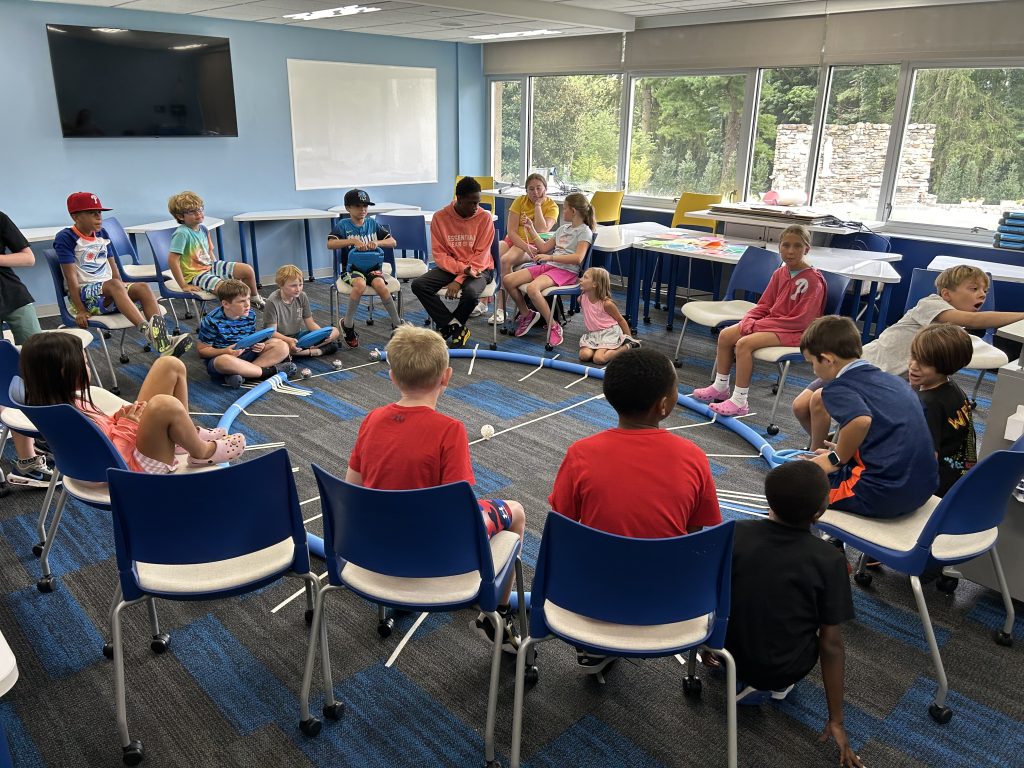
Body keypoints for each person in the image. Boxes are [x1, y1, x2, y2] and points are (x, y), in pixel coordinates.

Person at [346, 325, 526, 650]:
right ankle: (496, 613)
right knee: (516, 512)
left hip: (378, 546)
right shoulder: (450, 431)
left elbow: (352, 490)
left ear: (392, 376)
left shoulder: (370, 419)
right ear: (447, 376)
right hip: (435, 553)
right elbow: (460, 511)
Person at [549, 347, 721, 672]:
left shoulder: (580, 454)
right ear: (665, 406)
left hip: (587, 595)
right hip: (670, 600)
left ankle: (594, 644)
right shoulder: (693, 457)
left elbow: (562, 528)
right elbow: (693, 535)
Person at [794, 264, 1024, 449]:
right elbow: (974, 322)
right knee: (800, 406)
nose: (982, 294)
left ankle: (819, 453)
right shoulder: (931, 304)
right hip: (863, 362)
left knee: (819, 403)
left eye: (984, 290)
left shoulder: (953, 325)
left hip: (880, 379)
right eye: (973, 289)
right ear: (946, 294)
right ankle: (833, 445)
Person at [725, 461, 862, 768]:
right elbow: (831, 645)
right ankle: (771, 686)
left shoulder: (734, 532)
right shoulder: (829, 560)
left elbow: (709, 596)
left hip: (726, 651)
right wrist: (836, 720)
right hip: (785, 667)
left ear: (768, 500)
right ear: (820, 512)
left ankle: (741, 675)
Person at [19, 333, 246, 472]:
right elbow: (110, 459)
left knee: (169, 365)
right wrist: (127, 424)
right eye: (84, 364)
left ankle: (182, 437)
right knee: (164, 405)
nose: (88, 367)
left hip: (128, 447)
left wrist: (120, 417)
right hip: (129, 468)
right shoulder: (68, 417)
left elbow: (102, 429)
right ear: (62, 372)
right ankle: (201, 452)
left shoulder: (65, 400)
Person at [799, 316, 937, 518]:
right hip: (924, 486)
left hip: (881, 494)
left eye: (812, 362)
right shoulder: (894, 381)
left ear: (828, 360)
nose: (813, 370)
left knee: (793, 490)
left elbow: (860, 420)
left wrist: (836, 459)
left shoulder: (837, 388)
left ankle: (818, 545)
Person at [692, 224, 826, 417]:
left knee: (744, 344)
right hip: (773, 325)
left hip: (797, 333)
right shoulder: (780, 273)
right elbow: (764, 305)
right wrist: (749, 319)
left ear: (807, 249)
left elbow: (801, 321)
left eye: (797, 246)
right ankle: (721, 386)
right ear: (779, 247)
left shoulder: (813, 281)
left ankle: (740, 400)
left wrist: (757, 326)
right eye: (786, 245)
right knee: (726, 335)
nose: (790, 251)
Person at [55, 192, 191, 358]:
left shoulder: (102, 234)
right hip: (85, 295)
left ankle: (163, 341)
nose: (99, 217)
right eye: (92, 213)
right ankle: (147, 331)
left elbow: (114, 270)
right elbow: (71, 279)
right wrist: (81, 310)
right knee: (114, 284)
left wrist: (124, 289)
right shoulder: (66, 237)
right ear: (75, 216)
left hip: (108, 292)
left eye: (100, 213)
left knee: (142, 287)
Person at [411, 177, 495, 349]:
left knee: (471, 293)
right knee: (419, 285)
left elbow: (481, 257)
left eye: (478, 202)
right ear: (459, 199)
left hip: (480, 268)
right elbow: (440, 255)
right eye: (471, 203)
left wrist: (458, 280)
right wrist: (460, 270)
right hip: (451, 266)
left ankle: (449, 327)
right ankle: (454, 327)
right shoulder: (440, 217)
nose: (476, 207)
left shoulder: (484, 218)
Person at [0, 210, 51, 488]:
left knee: (40, 362)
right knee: (5, 373)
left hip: (11, 294)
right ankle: (27, 457)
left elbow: (28, 257)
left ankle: (45, 433)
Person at [504, 192, 595, 347]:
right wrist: (532, 229)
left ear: (573, 211)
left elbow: (578, 258)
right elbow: (544, 248)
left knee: (533, 289)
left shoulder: (584, 231)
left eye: (565, 208)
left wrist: (550, 258)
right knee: (508, 280)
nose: (563, 211)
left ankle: (553, 325)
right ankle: (527, 314)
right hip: (550, 267)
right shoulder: (562, 229)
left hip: (566, 272)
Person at [327, 189, 401, 348]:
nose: (363, 210)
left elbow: (393, 242)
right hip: (352, 269)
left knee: (381, 286)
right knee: (359, 285)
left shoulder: (373, 224)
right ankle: (348, 325)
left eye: (365, 206)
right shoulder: (343, 225)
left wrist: (378, 243)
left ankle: (397, 324)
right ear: (348, 208)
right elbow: (330, 244)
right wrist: (351, 241)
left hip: (373, 268)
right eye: (358, 206)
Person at [909, 324, 977, 497]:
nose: (913, 366)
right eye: (914, 356)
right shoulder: (954, 388)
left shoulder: (926, 404)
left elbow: (926, 459)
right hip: (960, 478)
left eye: (924, 362)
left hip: (936, 489)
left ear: (945, 364)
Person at [166, 190, 263, 308]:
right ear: (180, 216)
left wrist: (218, 271)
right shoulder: (182, 233)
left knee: (247, 270)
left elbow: (210, 252)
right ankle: (232, 315)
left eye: (200, 209)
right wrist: (183, 285)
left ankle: (254, 298)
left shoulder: (203, 229)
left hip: (210, 266)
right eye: (192, 212)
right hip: (194, 274)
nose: (198, 213)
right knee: (228, 291)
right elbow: (172, 260)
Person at [197, 279, 295, 388]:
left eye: (248, 299)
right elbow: (202, 352)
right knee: (223, 361)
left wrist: (259, 345)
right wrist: (226, 351)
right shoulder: (211, 321)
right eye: (241, 301)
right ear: (225, 304)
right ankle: (269, 372)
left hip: (247, 353)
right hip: (224, 358)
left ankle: (244, 375)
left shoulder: (250, 315)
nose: (247, 304)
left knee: (282, 346)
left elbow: (250, 338)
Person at [489, 173, 558, 326]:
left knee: (505, 260)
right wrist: (523, 246)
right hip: (517, 241)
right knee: (490, 255)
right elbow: (511, 231)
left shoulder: (551, 206)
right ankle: (483, 300)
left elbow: (541, 229)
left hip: (534, 245)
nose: (535, 192)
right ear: (526, 191)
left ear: (545, 189)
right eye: (531, 189)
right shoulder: (520, 201)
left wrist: (538, 205)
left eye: (539, 188)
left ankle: (501, 308)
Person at [262, 265, 339, 357]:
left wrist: (323, 335)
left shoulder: (302, 296)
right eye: (293, 286)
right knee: (280, 348)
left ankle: (299, 352)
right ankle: (314, 351)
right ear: (281, 285)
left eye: (300, 284)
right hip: (281, 339)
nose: (298, 289)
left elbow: (310, 323)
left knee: (335, 331)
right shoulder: (272, 301)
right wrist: (289, 340)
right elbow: (272, 333)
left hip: (297, 337)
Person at [577, 266, 638, 365]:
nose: (581, 279)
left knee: (599, 359)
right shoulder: (581, 299)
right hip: (593, 334)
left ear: (595, 284)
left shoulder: (607, 303)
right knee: (584, 355)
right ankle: (606, 347)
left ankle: (627, 347)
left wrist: (629, 338)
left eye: (585, 277)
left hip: (609, 333)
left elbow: (620, 320)